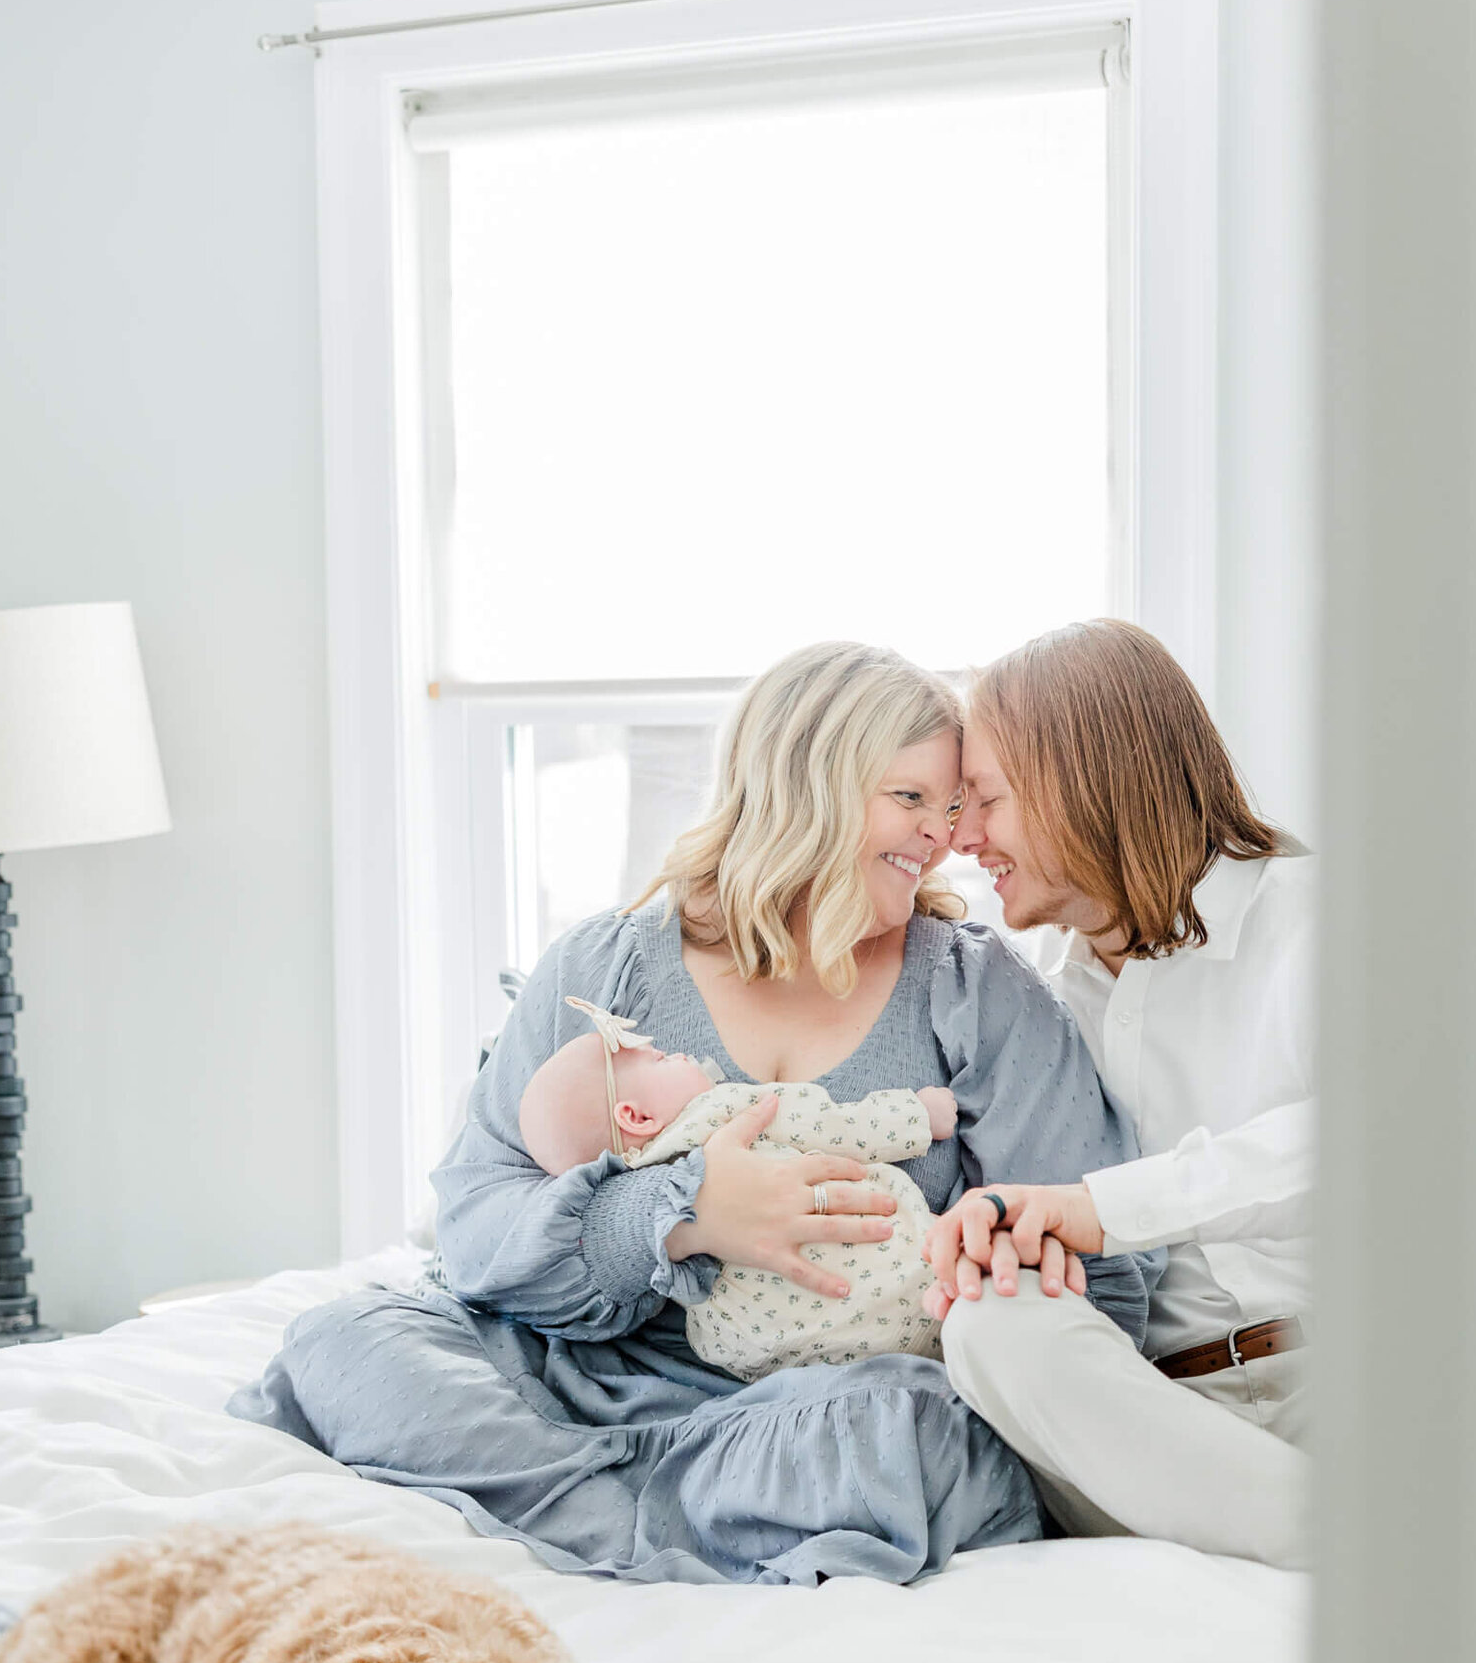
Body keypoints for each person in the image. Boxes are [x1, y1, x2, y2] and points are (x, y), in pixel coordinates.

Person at [234, 640, 1156, 1586]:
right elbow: (475, 1226)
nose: (943, 836)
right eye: (912, 798)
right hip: (583, 1378)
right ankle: (678, 1511)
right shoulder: (607, 968)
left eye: (955, 806)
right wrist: (683, 1219)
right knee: (348, 1342)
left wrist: (1000, 1270)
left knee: (909, 1433)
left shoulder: (974, 991)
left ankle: (606, 1514)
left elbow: (1109, 1266)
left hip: (824, 1401)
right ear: (808, 787)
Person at [925, 618, 1312, 1571]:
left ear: (1081, 780)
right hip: (1146, 1424)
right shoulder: (1030, 998)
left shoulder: (1313, 921)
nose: (961, 838)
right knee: (987, 1322)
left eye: (986, 801)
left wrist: (1098, 1210)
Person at [517, 994, 958, 1375]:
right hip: (896, 1279)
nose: (676, 1053)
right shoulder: (721, 1111)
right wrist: (918, 1115)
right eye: (659, 1059)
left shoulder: (648, 1196)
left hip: (799, 1349)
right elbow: (835, 1126)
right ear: (637, 1117)